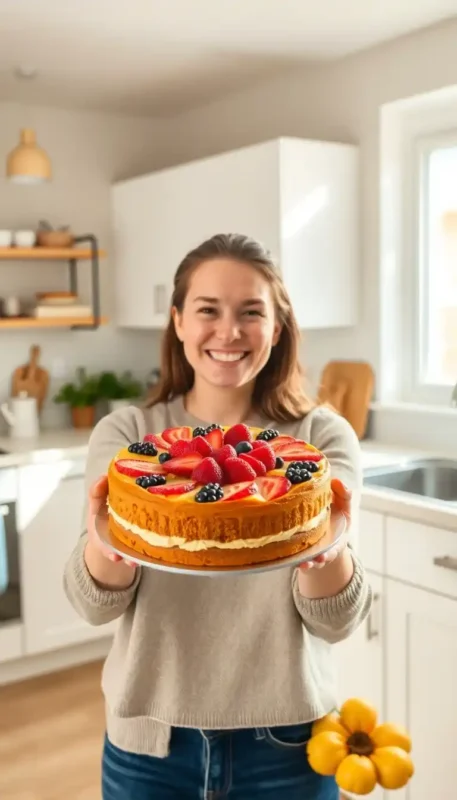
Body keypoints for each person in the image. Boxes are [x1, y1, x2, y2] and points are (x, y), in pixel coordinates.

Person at [64, 232, 372, 800]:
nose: (228, 332)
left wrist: (327, 549)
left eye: (251, 312)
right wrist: (107, 540)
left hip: (289, 744)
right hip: (150, 746)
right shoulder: (129, 437)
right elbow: (92, 604)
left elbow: (336, 622)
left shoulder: (321, 438)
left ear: (276, 329)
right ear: (178, 321)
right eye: (208, 310)